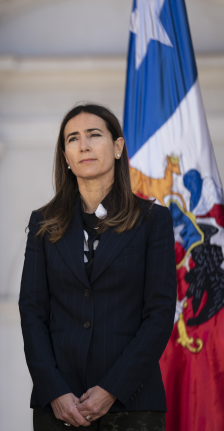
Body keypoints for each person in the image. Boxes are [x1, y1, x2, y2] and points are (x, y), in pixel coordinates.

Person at [19, 104, 176, 429]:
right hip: (59, 405)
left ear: (118, 147)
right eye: (73, 138)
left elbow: (159, 314)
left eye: (94, 135)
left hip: (133, 403)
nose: (84, 145)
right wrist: (55, 390)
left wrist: (111, 390)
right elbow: (32, 311)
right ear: (65, 155)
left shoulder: (152, 220)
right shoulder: (43, 223)